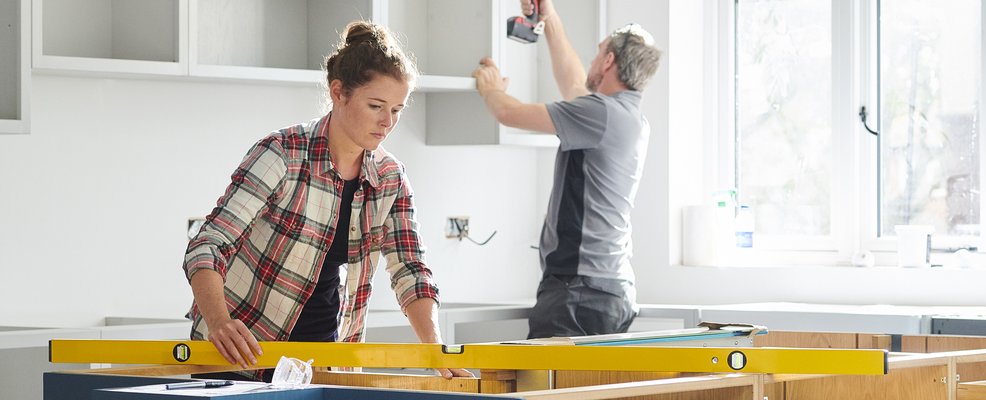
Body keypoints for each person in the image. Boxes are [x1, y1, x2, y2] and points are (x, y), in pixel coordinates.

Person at [182, 21, 472, 381]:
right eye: (376, 106)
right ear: (339, 93)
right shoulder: (283, 154)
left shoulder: (390, 178)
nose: (387, 122)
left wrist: (435, 350)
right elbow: (208, 245)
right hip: (241, 355)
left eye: (397, 109)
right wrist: (220, 323)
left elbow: (410, 271)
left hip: (323, 363)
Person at [472, 0, 662, 339]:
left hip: (578, 291)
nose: (590, 60)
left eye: (597, 52)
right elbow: (575, 86)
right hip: (606, 289)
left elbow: (509, 113)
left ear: (608, 60)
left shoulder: (600, 113)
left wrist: (491, 88)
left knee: (546, 390)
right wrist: (550, 17)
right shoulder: (626, 116)